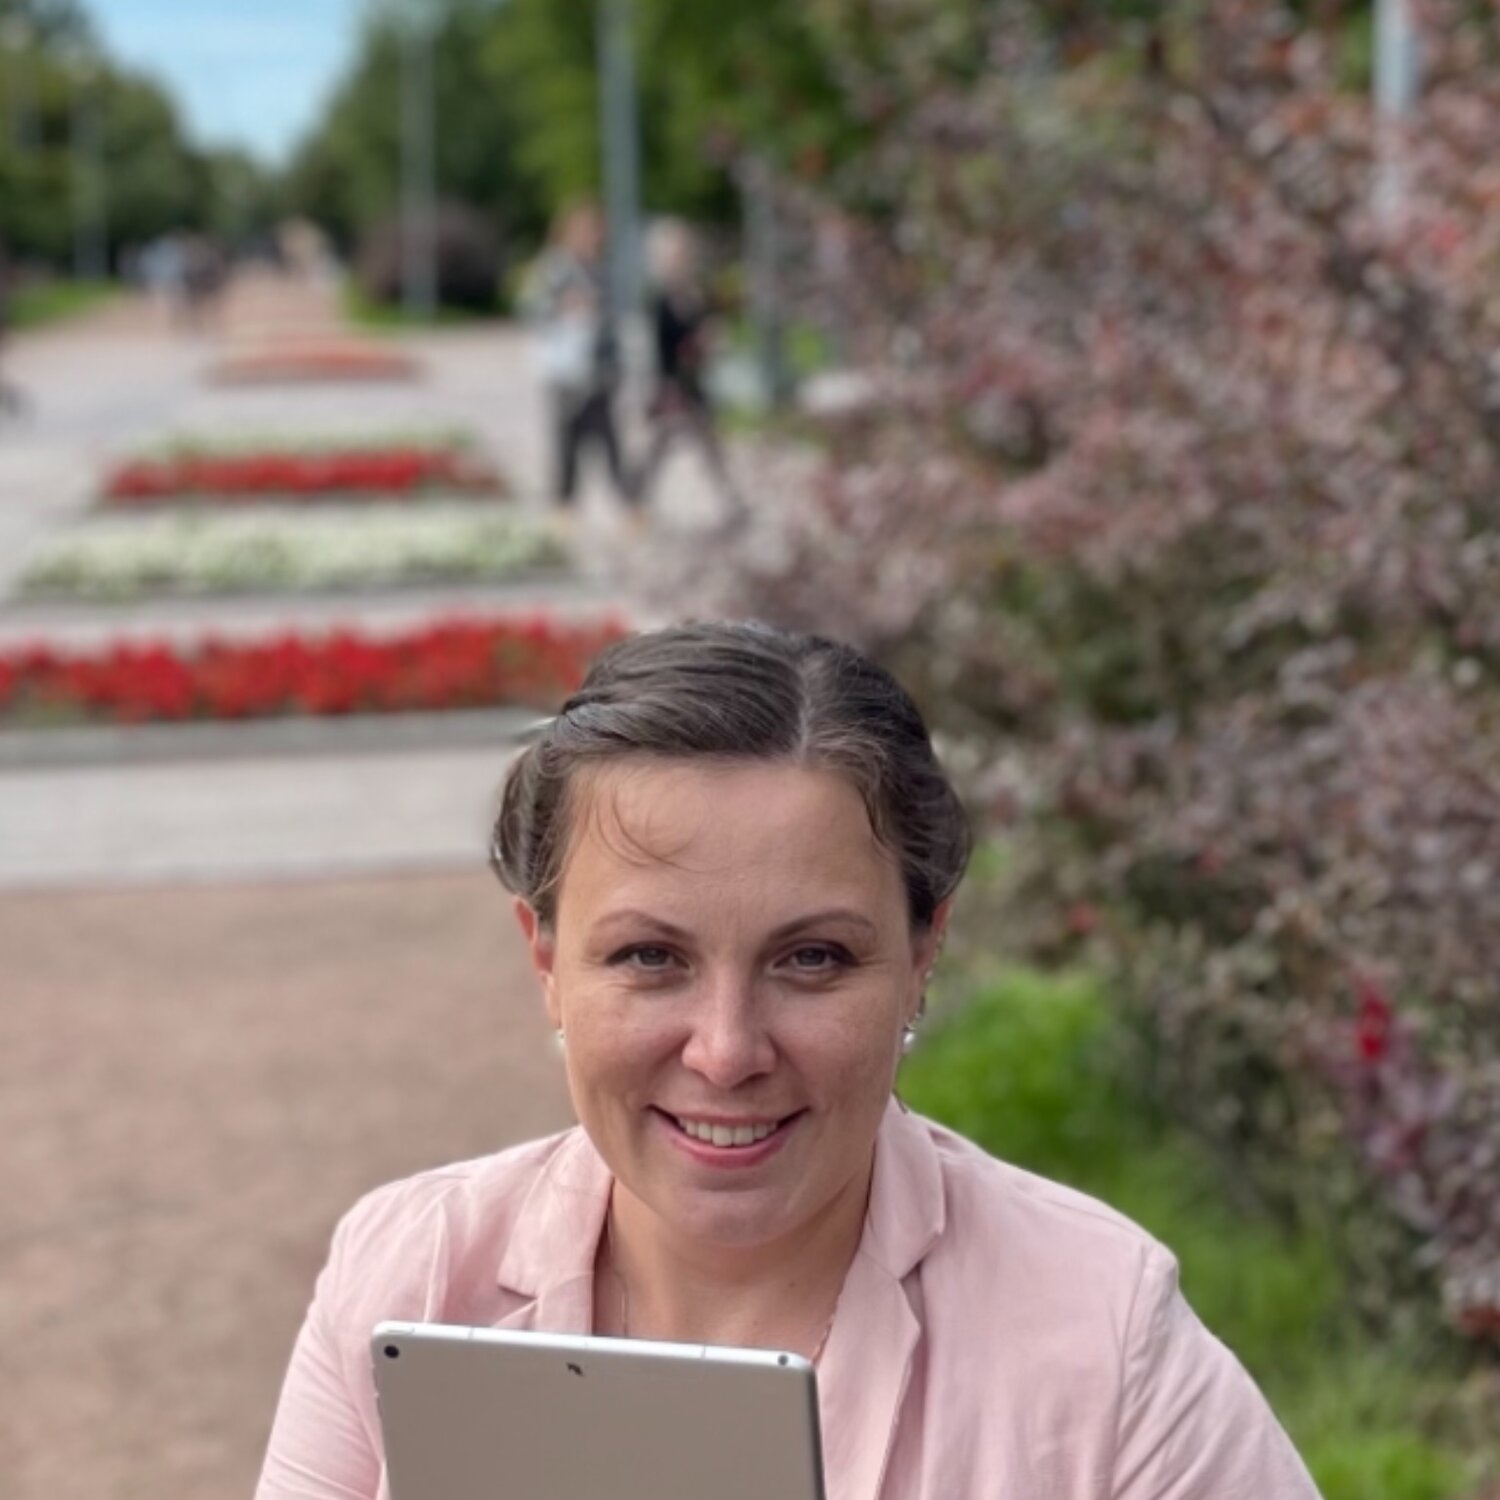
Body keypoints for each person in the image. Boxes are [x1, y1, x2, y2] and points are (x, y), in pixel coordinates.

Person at [256, 621, 1323, 1500]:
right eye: (649, 957)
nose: (727, 1052)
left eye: (813, 959)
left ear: (922, 955)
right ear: (546, 961)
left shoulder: (1102, 1339)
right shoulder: (410, 1276)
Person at [522, 202, 632, 514]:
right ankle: (564, 503)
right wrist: (563, 306)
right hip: (566, 369)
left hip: (600, 368)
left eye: (596, 230)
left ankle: (626, 502)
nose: (592, 237)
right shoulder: (555, 269)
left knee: (609, 438)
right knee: (566, 438)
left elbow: (616, 316)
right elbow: (531, 310)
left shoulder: (604, 270)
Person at [633, 220, 743, 521]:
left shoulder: (695, 294)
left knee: (707, 444)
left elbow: (710, 326)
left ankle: (729, 500)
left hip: (693, 382)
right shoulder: (660, 299)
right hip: (670, 383)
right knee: (659, 448)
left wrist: (711, 340)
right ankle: (638, 502)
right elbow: (661, 345)